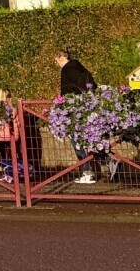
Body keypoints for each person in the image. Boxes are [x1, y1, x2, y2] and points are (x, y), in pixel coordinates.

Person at [54, 50, 96, 183]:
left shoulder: (66, 70)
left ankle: (87, 172)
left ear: (61, 58)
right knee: (92, 139)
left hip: (74, 110)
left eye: (56, 60)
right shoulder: (81, 68)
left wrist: (63, 105)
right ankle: (111, 161)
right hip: (88, 107)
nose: (56, 64)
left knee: (76, 141)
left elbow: (67, 90)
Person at [0, 88, 18, 183]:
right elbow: (13, 115)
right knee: (8, 153)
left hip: (4, 134)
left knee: (4, 153)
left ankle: (8, 173)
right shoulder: (7, 107)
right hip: (8, 134)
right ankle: (9, 173)